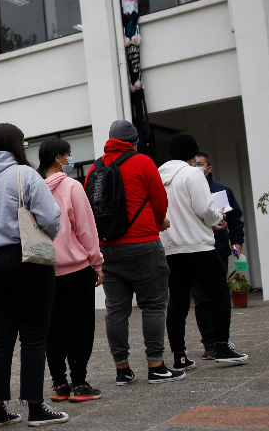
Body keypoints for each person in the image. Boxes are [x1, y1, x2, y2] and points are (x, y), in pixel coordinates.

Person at [0, 123, 68, 428]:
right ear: (15, 145)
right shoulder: (25, 174)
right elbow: (51, 218)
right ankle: (35, 407)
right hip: (28, 261)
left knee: (1, 335)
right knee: (34, 337)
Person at [85, 120, 184, 385]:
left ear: (110, 140)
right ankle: (156, 365)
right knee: (152, 305)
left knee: (116, 310)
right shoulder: (143, 162)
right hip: (143, 245)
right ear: (133, 141)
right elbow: (159, 201)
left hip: (107, 248)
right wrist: (159, 221)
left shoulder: (95, 168)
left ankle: (122, 370)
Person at [158, 135, 249, 366]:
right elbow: (203, 208)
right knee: (218, 293)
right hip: (198, 245)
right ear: (192, 154)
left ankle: (179, 356)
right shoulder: (192, 174)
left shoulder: (159, 175)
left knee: (178, 300)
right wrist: (217, 218)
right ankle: (221, 347)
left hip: (171, 247)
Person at [37, 137, 104, 403]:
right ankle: (79, 382)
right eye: (68, 155)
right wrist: (97, 262)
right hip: (76, 270)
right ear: (58, 158)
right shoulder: (73, 187)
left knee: (52, 329)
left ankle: (59, 384)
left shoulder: (33, 189)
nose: (70, 159)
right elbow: (86, 228)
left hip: (45, 271)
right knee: (80, 327)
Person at [192, 151, 245, 359]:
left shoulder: (222, 190)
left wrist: (237, 241)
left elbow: (235, 219)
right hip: (196, 250)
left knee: (218, 295)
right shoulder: (189, 190)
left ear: (209, 168)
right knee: (201, 297)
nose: (198, 168)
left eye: (201, 164)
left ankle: (222, 339)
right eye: (195, 164)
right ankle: (209, 343)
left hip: (219, 249)